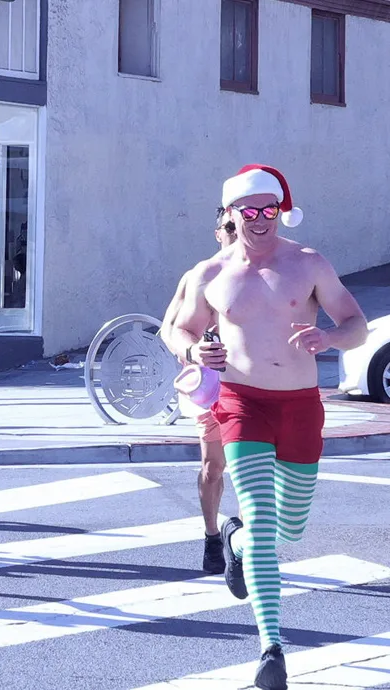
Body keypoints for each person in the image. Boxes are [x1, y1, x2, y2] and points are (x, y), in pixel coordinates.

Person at [171, 165, 367, 689]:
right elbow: (178, 329)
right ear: (231, 214)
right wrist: (195, 350)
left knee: (290, 528)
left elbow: (356, 325)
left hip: (300, 405)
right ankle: (271, 649)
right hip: (241, 403)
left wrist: (329, 339)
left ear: (280, 211)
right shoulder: (210, 273)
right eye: (248, 211)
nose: (259, 220)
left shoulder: (308, 263)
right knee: (261, 518)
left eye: (268, 210)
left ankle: (234, 543)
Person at [160, 208, 238, 574]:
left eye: (240, 226)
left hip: (255, 384)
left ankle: (247, 540)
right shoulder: (199, 276)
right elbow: (168, 329)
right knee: (213, 467)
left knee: (256, 466)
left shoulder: (269, 273)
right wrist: (192, 351)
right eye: (229, 227)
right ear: (217, 232)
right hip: (213, 387)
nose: (236, 233)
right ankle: (212, 535)